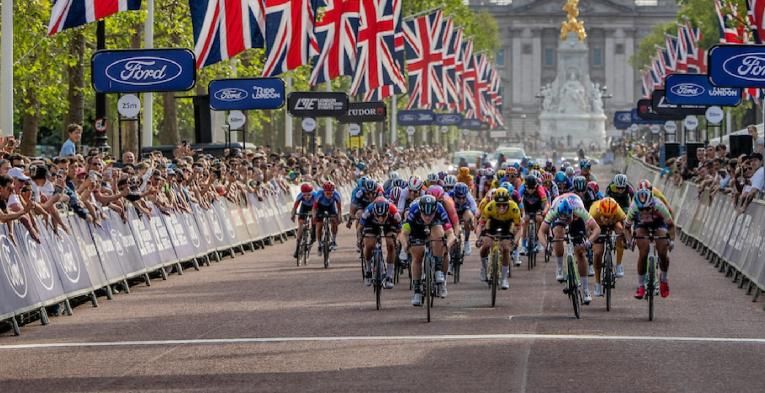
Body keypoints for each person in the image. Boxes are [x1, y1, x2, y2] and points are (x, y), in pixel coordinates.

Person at [538, 193, 601, 304]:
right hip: (560, 210)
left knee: (580, 252)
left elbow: (597, 229)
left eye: (567, 219)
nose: (566, 222)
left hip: (575, 212)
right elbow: (541, 232)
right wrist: (546, 246)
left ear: (573, 214)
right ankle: (559, 268)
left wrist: (588, 242)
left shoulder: (579, 211)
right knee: (558, 233)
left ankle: (585, 289)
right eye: (564, 219)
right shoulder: (554, 211)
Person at [400, 195, 455, 306]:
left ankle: (440, 274)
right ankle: (417, 291)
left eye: (431, 214)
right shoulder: (414, 210)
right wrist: (405, 245)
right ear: (420, 210)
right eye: (425, 214)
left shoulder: (440, 208)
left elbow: (451, 234)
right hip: (417, 228)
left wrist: (447, 245)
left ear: (435, 210)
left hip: (435, 226)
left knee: (439, 236)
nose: (428, 217)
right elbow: (403, 233)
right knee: (417, 254)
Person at [623, 189, 675, 299]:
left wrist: (671, 241)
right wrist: (630, 240)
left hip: (658, 223)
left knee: (662, 252)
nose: (645, 212)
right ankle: (641, 285)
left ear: (652, 204)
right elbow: (626, 228)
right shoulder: (634, 208)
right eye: (642, 209)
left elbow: (671, 225)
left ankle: (664, 280)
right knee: (643, 252)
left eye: (647, 208)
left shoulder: (659, 205)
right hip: (642, 225)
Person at [475, 188, 521, 290]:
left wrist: (516, 241)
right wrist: (479, 238)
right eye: (498, 205)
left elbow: (519, 228)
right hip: (492, 224)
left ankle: (504, 278)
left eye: (504, 204)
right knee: (485, 245)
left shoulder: (514, 208)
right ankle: (484, 267)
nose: (501, 207)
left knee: (506, 249)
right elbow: (480, 225)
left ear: (508, 202)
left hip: (507, 226)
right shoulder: (490, 206)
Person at [360, 197, 402, 289]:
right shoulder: (368, 212)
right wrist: (361, 239)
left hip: (389, 225)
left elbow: (400, 229)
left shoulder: (394, 213)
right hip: (371, 224)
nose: (380, 219)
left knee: (391, 244)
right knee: (369, 245)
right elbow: (360, 227)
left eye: (383, 216)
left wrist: (397, 239)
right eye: (378, 216)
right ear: (374, 212)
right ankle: (368, 270)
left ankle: (389, 275)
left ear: (388, 212)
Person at [588, 197, 626, 297]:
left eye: (609, 217)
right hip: (597, 226)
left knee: (620, 230)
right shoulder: (593, 211)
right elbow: (587, 229)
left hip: (615, 223)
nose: (607, 219)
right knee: (597, 253)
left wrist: (625, 237)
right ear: (600, 212)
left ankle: (618, 264)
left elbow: (626, 224)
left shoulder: (618, 211)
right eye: (604, 217)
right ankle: (597, 283)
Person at [604, 173, 634, 277]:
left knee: (625, 224)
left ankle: (619, 265)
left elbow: (634, 201)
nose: (620, 190)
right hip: (613, 205)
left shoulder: (629, 188)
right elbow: (605, 201)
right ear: (615, 185)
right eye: (618, 188)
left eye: (622, 188)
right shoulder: (610, 188)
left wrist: (631, 212)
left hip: (624, 206)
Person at [518, 175, 549, 258]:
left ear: (536, 186)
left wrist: (544, 211)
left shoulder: (540, 189)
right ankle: (524, 246)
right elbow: (518, 201)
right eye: (529, 188)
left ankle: (538, 241)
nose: (531, 190)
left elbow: (546, 204)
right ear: (526, 186)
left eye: (533, 188)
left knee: (539, 219)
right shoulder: (522, 188)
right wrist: (522, 213)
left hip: (538, 207)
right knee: (525, 222)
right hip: (526, 206)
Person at [313, 181, 342, 252]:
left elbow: (339, 209)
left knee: (334, 221)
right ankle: (319, 244)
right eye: (327, 193)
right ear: (324, 191)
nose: (329, 195)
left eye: (331, 193)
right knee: (319, 226)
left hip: (331, 207)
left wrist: (339, 217)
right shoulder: (319, 194)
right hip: (320, 207)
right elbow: (314, 208)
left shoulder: (336, 195)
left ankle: (334, 240)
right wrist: (314, 217)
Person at [449, 182, 477, 255]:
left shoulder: (469, 197)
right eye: (458, 197)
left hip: (463, 211)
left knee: (469, 216)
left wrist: (472, 222)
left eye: (463, 198)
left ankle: (466, 241)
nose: (461, 200)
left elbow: (474, 208)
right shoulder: (448, 196)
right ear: (454, 194)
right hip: (452, 212)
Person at [290, 183, 316, 259]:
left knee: (314, 221)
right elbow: (295, 207)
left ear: (312, 193)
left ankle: (313, 236)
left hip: (314, 207)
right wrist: (293, 215)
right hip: (304, 207)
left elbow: (317, 208)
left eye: (308, 195)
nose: (306, 197)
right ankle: (297, 247)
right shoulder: (300, 196)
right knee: (300, 223)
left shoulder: (316, 195)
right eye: (304, 195)